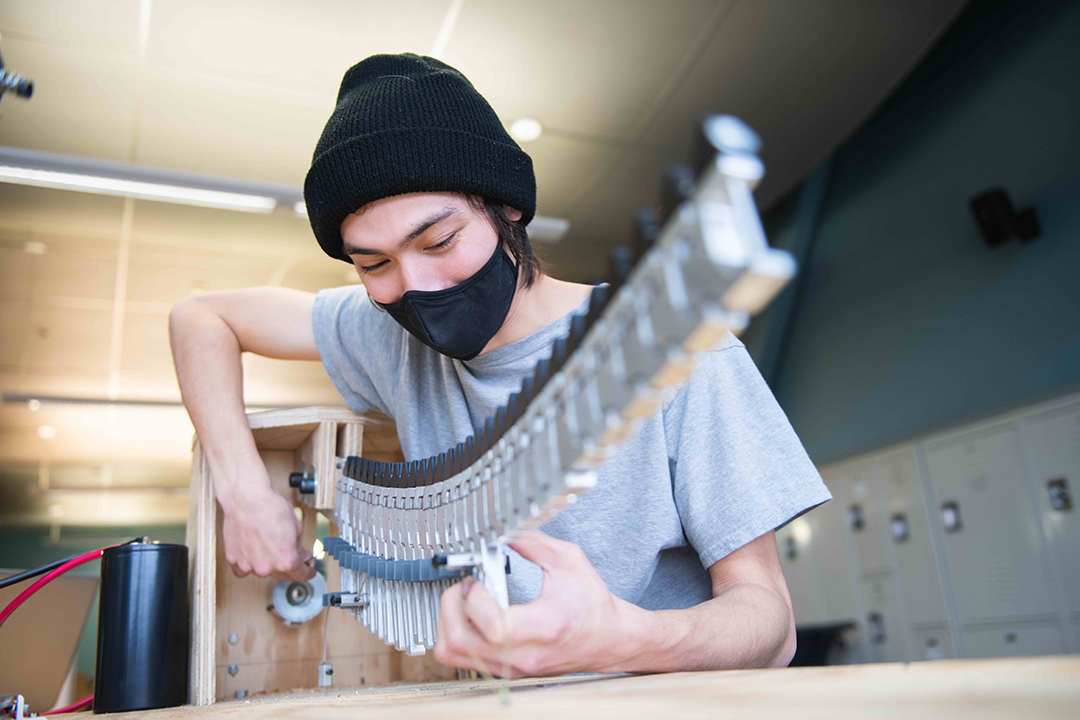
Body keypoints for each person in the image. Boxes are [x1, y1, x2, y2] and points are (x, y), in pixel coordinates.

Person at [169, 53, 832, 677]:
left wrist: (623, 638)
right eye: (374, 264)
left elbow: (772, 626)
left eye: (439, 240)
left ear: (507, 205)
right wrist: (244, 490)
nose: (417, 285)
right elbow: (200, 318)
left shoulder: (686, 353)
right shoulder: (387, 335)